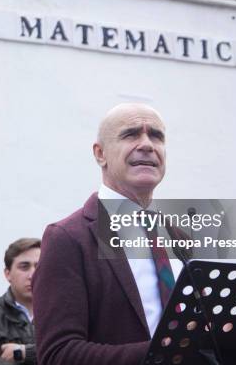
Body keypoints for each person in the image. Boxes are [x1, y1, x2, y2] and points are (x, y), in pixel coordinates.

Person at [33, 103, 175, 365]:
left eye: (156, 136)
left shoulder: (180, 237)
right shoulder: (67, 238)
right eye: (130, 134)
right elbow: (58, 355)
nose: (147, 144)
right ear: (100, 154)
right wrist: (168, 351)